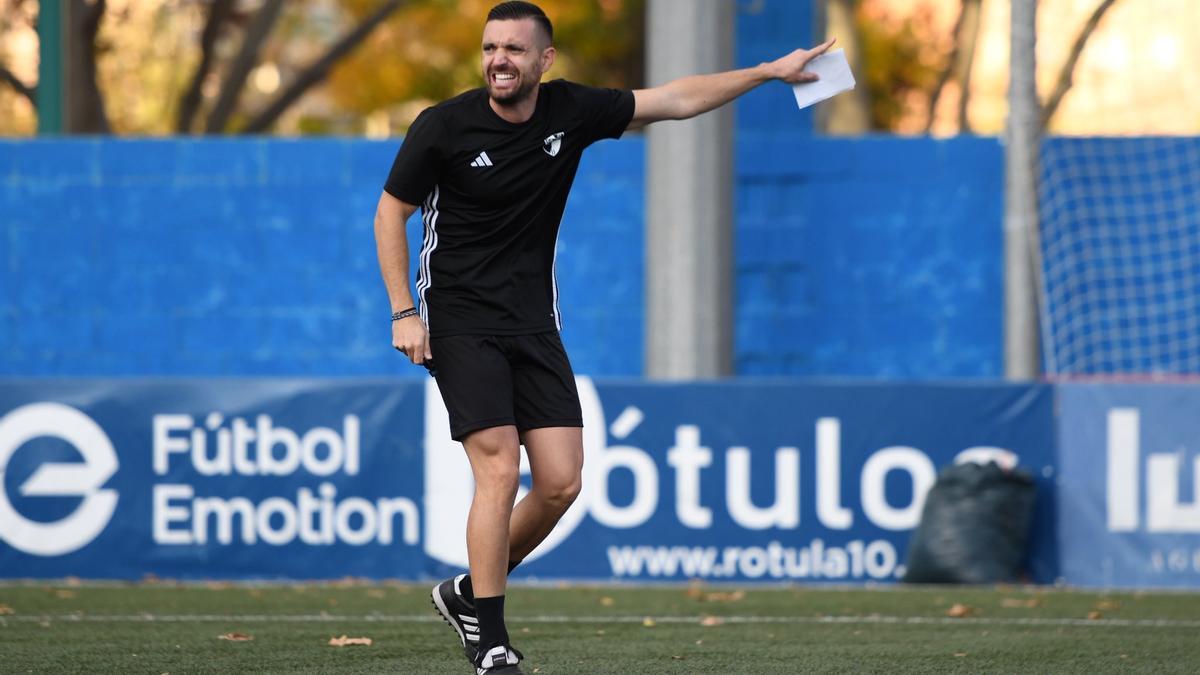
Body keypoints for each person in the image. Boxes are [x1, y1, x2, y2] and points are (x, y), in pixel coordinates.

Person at [374, 2, 833, 672]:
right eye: (490, 48)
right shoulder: (442, 126)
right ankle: (491, 640)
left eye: (514, 50)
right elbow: (391, 214)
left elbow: (674, 100)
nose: (500, 60)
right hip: (459, 318)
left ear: (545, 60)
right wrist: (402, 311)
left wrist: (768, 71)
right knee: (499, 466)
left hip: (533, 320)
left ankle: (469, 591)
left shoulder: (572, 112)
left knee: (561, 481)